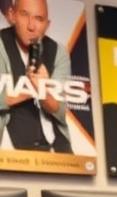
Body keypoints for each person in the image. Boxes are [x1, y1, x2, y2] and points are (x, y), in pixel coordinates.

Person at [0, 0, 71, 153]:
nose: (31, 26)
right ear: (12, 15)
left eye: (39, 19)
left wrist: (43, 90)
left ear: (47, 25)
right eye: (25, 15)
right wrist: (31, 88)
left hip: (58, 152)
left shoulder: (59, 52)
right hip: (10, 151)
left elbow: (60, 109)